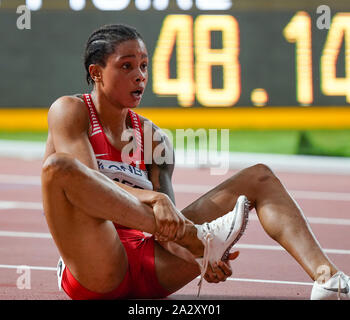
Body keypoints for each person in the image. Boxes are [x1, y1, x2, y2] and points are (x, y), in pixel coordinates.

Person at [41, 24, 349, 300]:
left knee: (260, 176)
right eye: (126, 66)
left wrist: (198, 258)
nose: (140, 76)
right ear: (96, 73)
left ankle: (330, 280)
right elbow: (88, 181)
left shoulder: (153, 138)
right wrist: (156, 199)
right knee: (59, 169)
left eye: (144, 66)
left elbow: (167, 227)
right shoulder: (70, 111)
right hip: (98, 269)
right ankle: (200, 240)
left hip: (153, 268)